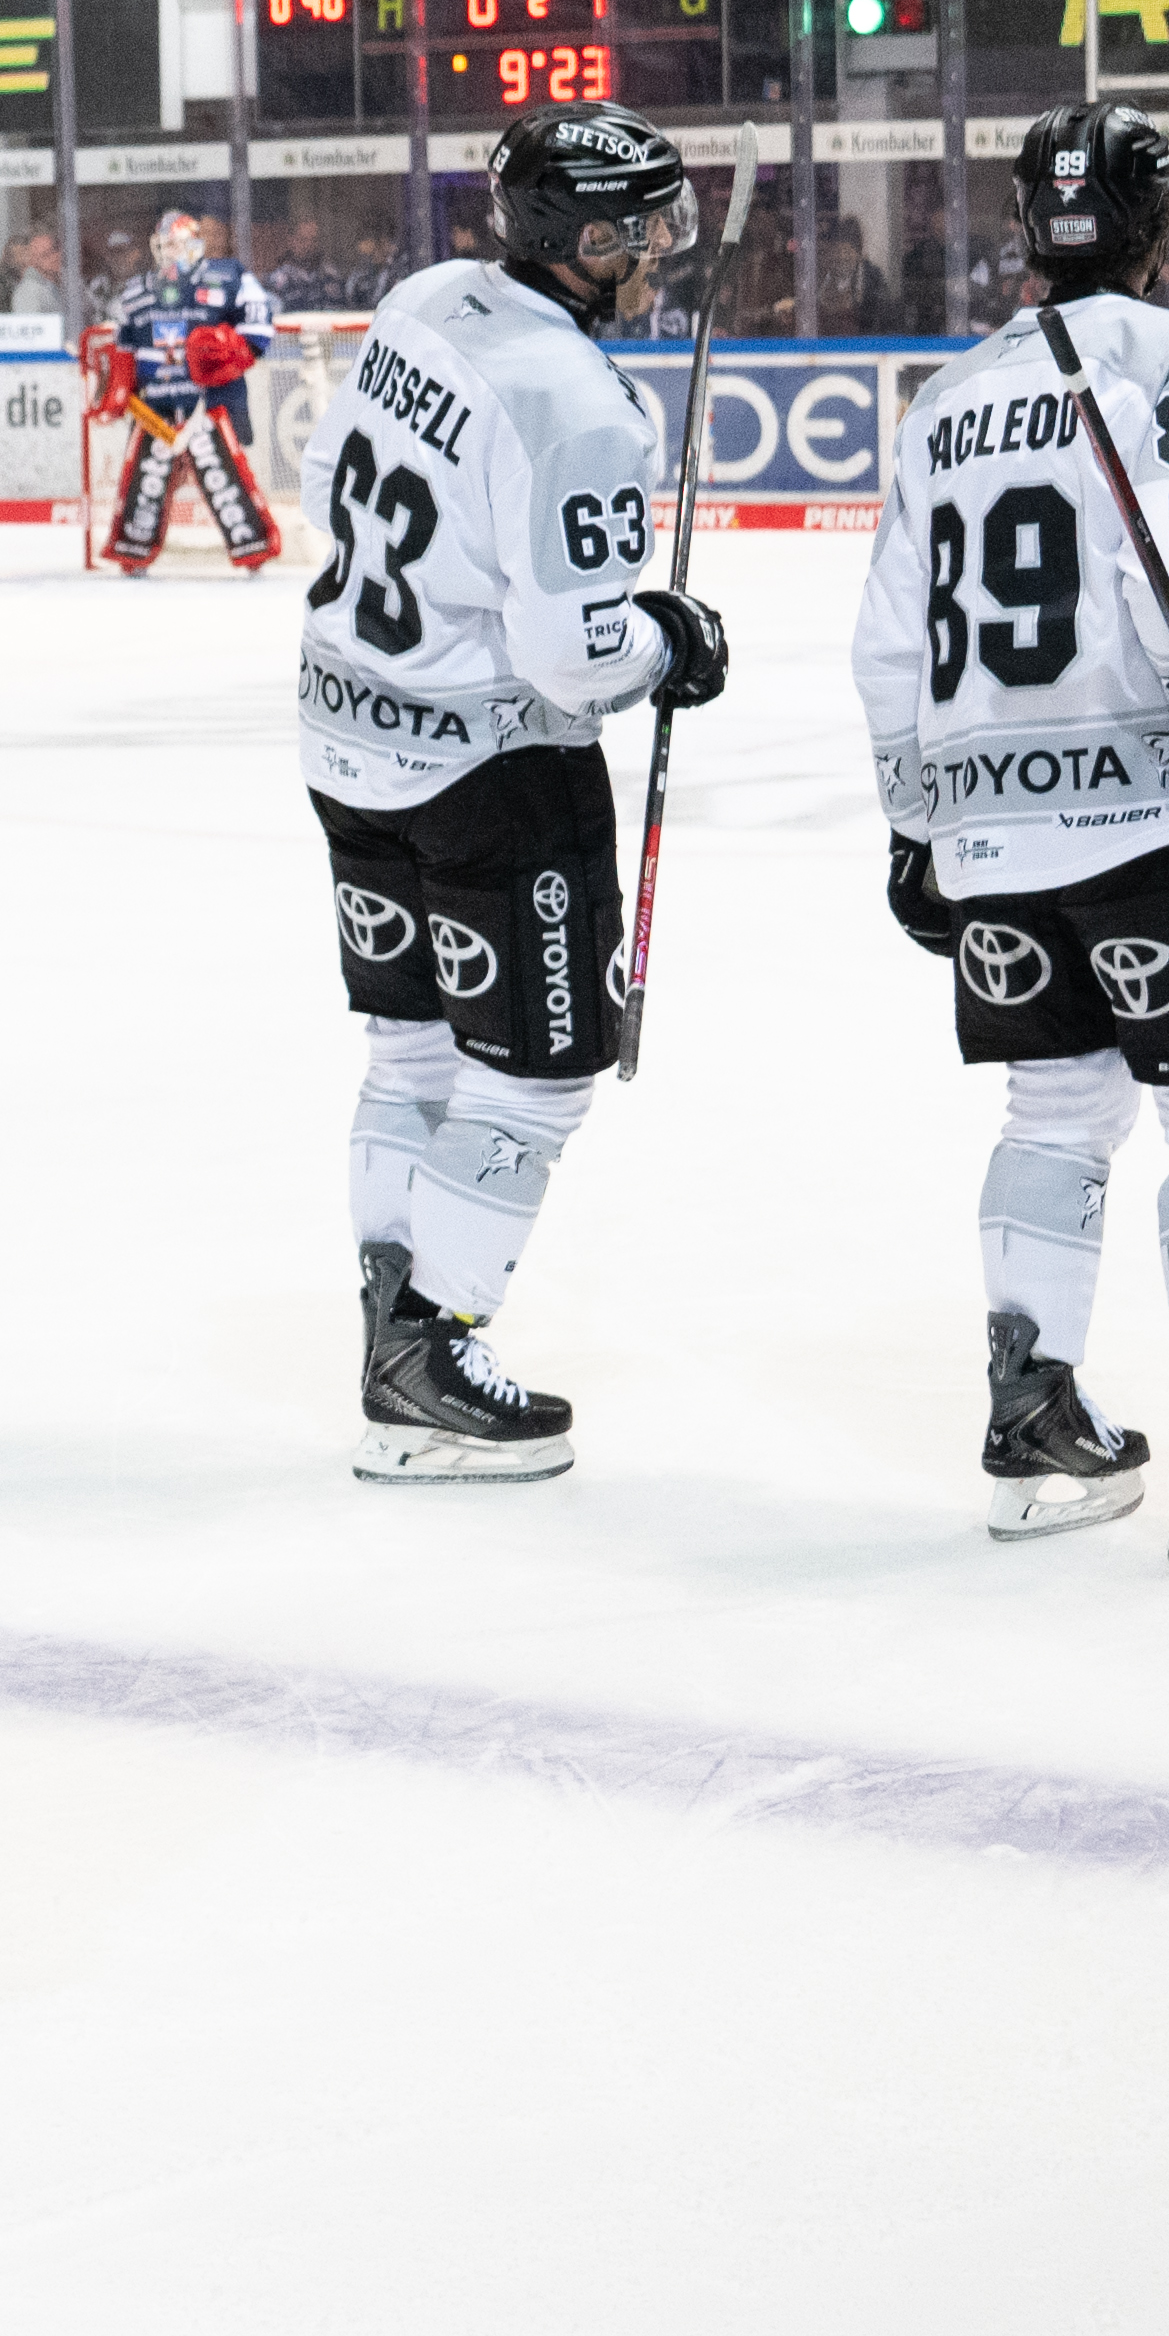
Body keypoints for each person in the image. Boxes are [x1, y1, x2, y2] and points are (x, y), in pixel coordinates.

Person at [853, 104, 1169, 1564]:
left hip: (987, 824)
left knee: (1051, 1112)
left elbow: (885, 642)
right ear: (1161, 224)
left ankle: (1032, 1424)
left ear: (1026, 226)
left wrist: (913, 823)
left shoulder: (944, 398)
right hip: (1145, 812)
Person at [308, 109, 732, 1486]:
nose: (661, 250)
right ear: (589, 236)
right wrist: (668, 642)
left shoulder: (426, 300)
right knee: (539, 1073)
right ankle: (427, 1354)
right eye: (647, 227)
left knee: (407, 1052)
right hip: (491, 771)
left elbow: (320, 483)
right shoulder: (578, 401)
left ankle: (393, 1316)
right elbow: (572, 655)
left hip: (343, 731)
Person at [96, 204, 285, 577]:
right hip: (155, 408)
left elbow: (259, 324)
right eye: (165, 245)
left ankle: (254, 550)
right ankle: (132, 552)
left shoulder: (228, 277)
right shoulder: (136, 292)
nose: (171, 252)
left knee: (224, 479)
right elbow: (125, 344)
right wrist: (118, 384)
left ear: (196, 245)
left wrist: (234, 350)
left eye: (178, 244)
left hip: (208, 404)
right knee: (145, 481)